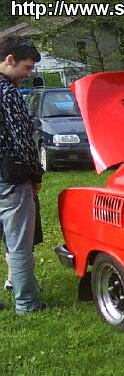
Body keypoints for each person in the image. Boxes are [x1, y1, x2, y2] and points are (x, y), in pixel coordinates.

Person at [0, 35, 47, 313]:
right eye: (26, 67)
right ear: (10, 60)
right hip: (10, 177)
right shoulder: (8, 93)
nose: (28, 74)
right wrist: (36, 174)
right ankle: (27, 303)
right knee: (19, 243)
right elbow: (23, 140)